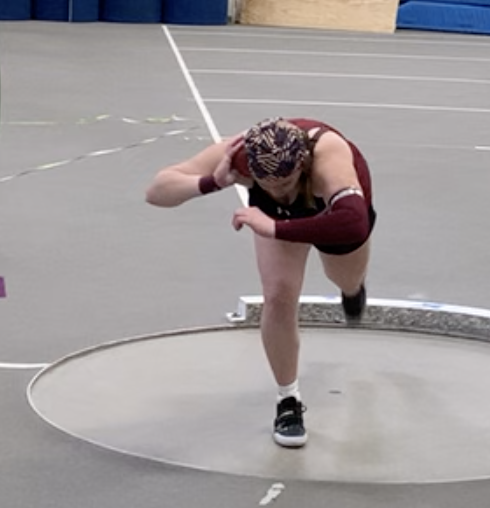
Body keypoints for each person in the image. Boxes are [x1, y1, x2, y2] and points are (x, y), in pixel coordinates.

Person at [145, 117, 376, 448]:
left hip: (333, 214)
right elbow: (157, 191)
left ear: (303, 162)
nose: (280, 192)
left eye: (286, 182)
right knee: (279, 296)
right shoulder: (240, 151)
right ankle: (289, 400)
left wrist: (275, 228)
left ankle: (353, 289)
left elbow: (353, 223)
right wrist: (213, 182)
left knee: (345, 278)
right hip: (274, 221)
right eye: (267, 184)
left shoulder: (328, 153)